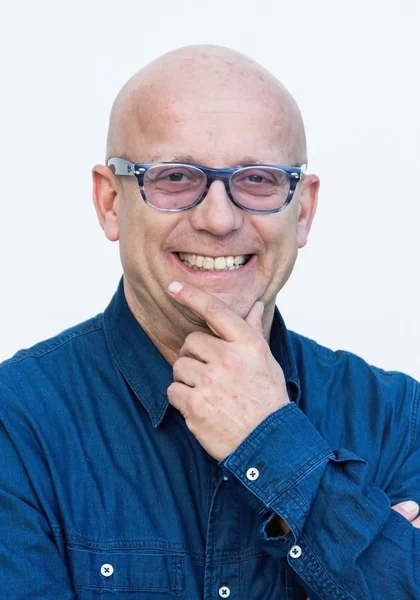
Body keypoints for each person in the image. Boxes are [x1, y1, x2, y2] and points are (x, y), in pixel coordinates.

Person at [0, 45, 419, 600]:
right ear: (109, 202)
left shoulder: (396, 419)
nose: (219, 218)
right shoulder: (16, 424)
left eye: (258, 179)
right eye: (175, 177)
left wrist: (271, 441)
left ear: (304, 211)